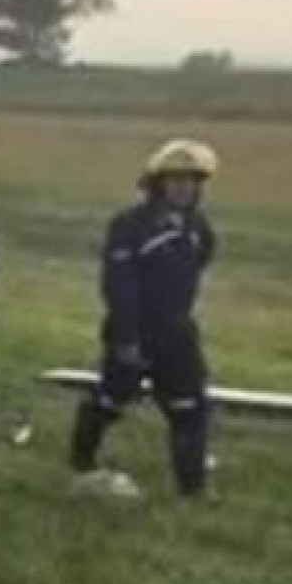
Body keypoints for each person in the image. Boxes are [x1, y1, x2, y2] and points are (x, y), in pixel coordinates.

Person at [70, 140, 220, 498]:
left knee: (191, 409)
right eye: (176, 180)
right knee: (110, 400)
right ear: (158, 183)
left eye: (192, 180)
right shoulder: (130, 225)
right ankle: (82, 461)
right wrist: (126, 338)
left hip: (178, 333)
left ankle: (192, 489)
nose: (185, 188)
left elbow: (203, 255)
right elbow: (117, 285)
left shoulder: (197, 226)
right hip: (135, 330)